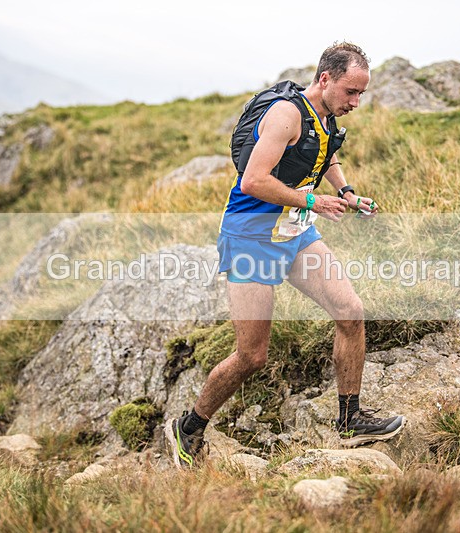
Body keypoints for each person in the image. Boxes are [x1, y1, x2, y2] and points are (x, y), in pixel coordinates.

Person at [165, 42, 404, 468]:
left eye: (361, 94)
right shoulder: (285, 115)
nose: (356, 102)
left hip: (294, 233)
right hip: (251, 238)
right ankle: (190, 428)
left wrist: (345, 192)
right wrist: (312, 203)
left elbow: (322, 154)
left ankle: (350, 420)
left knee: (350, 312)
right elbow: (253, 181)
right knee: (252, 356)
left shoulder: (326, 116)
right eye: (351, 92)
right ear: (325, 79)